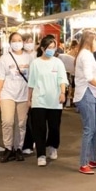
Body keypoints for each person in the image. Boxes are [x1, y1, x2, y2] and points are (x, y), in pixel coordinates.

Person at [27, 35, 68, 167]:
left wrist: (63, 93)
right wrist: (29, 99)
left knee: (54, 127)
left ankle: (52, 146)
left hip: (55, 100)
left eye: (53, 47)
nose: (52, 50)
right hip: (39, 100)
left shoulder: (58, 62)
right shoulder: (35, 63)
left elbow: (62, 79)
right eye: (49, 47)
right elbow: (31, 82)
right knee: (39, 128)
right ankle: (41, 154)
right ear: (43, 48)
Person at [0, 31, 32, 163]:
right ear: (10, 43)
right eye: (14, 40)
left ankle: (18, 148)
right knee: (7, 121)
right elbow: (0, 78)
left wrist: (31, 96)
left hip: (23, 94)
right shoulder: (4, 58)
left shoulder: (29, 58)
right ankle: (8, 147)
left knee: (21, 123)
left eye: (19, 40)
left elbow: (32, 79)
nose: (17, 43)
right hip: (7, 94)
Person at [74, 30, 96, 175]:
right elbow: (88, 77)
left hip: (92, 93)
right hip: (86, 93)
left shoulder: (87, 54)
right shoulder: (85, 55)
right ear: (90, 41)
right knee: (90, 128)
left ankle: (93, 158)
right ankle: (84, 162)